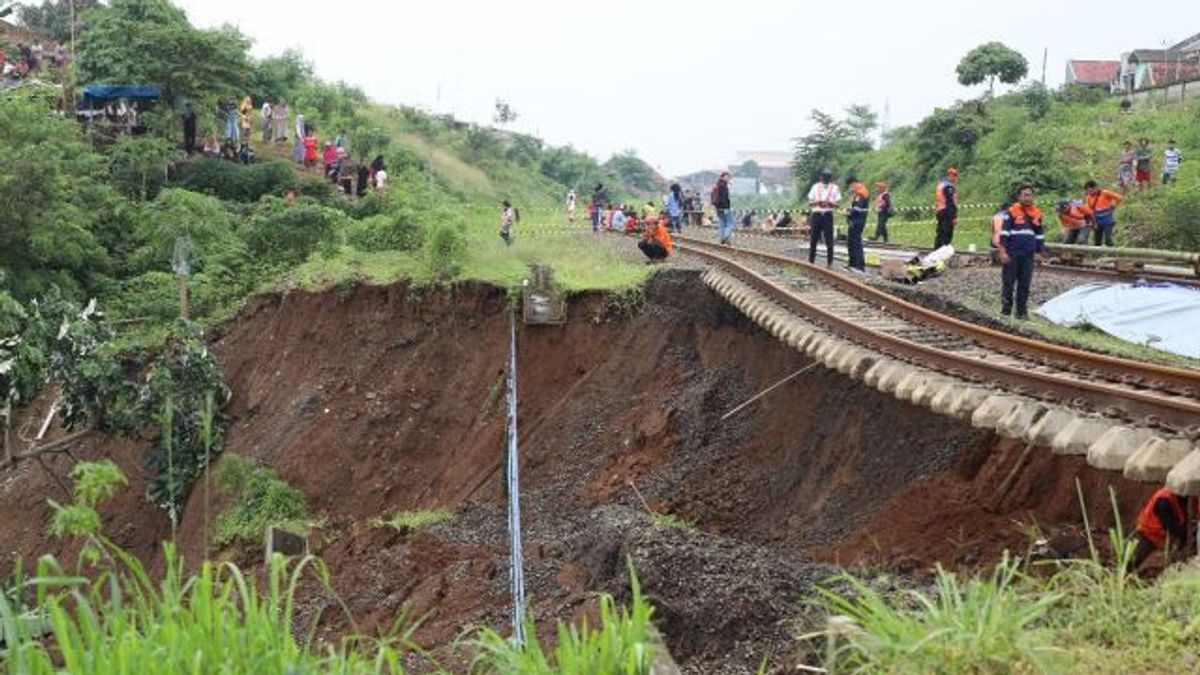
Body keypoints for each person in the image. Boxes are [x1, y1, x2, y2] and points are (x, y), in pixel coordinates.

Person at [997, 185, 1046, 320]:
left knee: (1024, 284)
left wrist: (1040, 252)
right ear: (1019, 197)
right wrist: (1002, 252)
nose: (1027, 197)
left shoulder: (1037, 213)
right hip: (1012, 254)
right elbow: (1004, 233)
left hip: (1028, 255)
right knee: (1008, 283)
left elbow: (1039, 235)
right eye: (1024, 195)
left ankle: (1021, 313)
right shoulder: (1011, 212)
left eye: (1029, 195)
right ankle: (1005, 312)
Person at [1128, 487, 1195, 575]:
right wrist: (1187, 534)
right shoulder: (1164, 500)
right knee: (1133, 560)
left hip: (1160, 534)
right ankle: (1122, 577)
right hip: (1148, 533)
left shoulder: (1184, 496)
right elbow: (1170, 525)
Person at [807, 170, 840, 267]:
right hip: (816, 214)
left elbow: (837, 204)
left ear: (830, 179)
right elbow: (809, 203)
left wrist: (829, 203)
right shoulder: (815, 187)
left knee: (829, 239)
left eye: (827, 178)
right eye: (823, 178)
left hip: (827, 214)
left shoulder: (835, 188)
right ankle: (811, 261)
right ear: (820, 178)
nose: (825, 180)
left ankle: (829, 263)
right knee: (813, 238)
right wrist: (818, 202)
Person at [1084, 180, 1124, 247]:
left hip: (1108, 221)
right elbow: (1090, 212)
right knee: (1097, 242)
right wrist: (1093, 223)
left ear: (1096, 188)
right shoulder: (1088, 198)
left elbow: (1119, 197)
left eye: (1091, 190)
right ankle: (1097, 256)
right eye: (1088, 191)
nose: (1089, 193)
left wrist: (1114, 205)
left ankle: (1113, 254)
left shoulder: (1105, 193)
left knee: (1108, 240)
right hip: (1098, 221)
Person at [845, 178, 870, 273]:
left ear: (854, 183)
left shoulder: (861, 193)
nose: (850, 188)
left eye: (850, 186)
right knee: (851, 242)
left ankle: (858, 266)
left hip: (857, 222)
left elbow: (858, 209)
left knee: (855, 243)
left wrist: (848, 213)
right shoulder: (859, 193)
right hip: (855, 221)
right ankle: (852, 264)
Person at [934, 167, 958, 248]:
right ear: (950, 175)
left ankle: (937, 250)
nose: (955, 178)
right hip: (947, 212)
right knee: (946, 234)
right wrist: (954, 217)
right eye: (954, 176)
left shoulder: (941, 185)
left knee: (940, 233)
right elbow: (950, 203)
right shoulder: (948, 187)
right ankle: (943, 252)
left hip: (940, 211)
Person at [712, 172, 733, 244]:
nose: (728, 179)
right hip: (724, 208)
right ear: (723, 177)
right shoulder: (723, 186)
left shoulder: (717, 185)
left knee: (722, 224)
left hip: (718, 208)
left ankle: (721, 240)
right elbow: (725, 198)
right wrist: (727, 207)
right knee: (730, 223)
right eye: (727, 177)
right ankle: (726, 236)